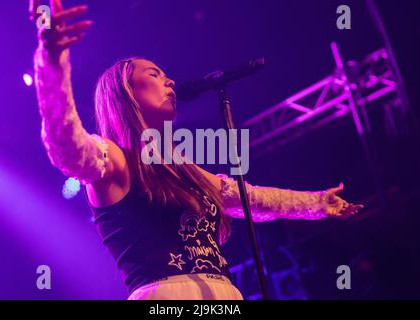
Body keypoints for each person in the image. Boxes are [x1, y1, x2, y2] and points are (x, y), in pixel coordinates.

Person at [31, 0, 364, 300]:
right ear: (125, 93)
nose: (170, 81)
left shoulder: (185, 171)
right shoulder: (114, 158)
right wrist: (52, 60)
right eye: (155, 74)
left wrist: (318, 203)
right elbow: (65, 143)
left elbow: (255, 199)